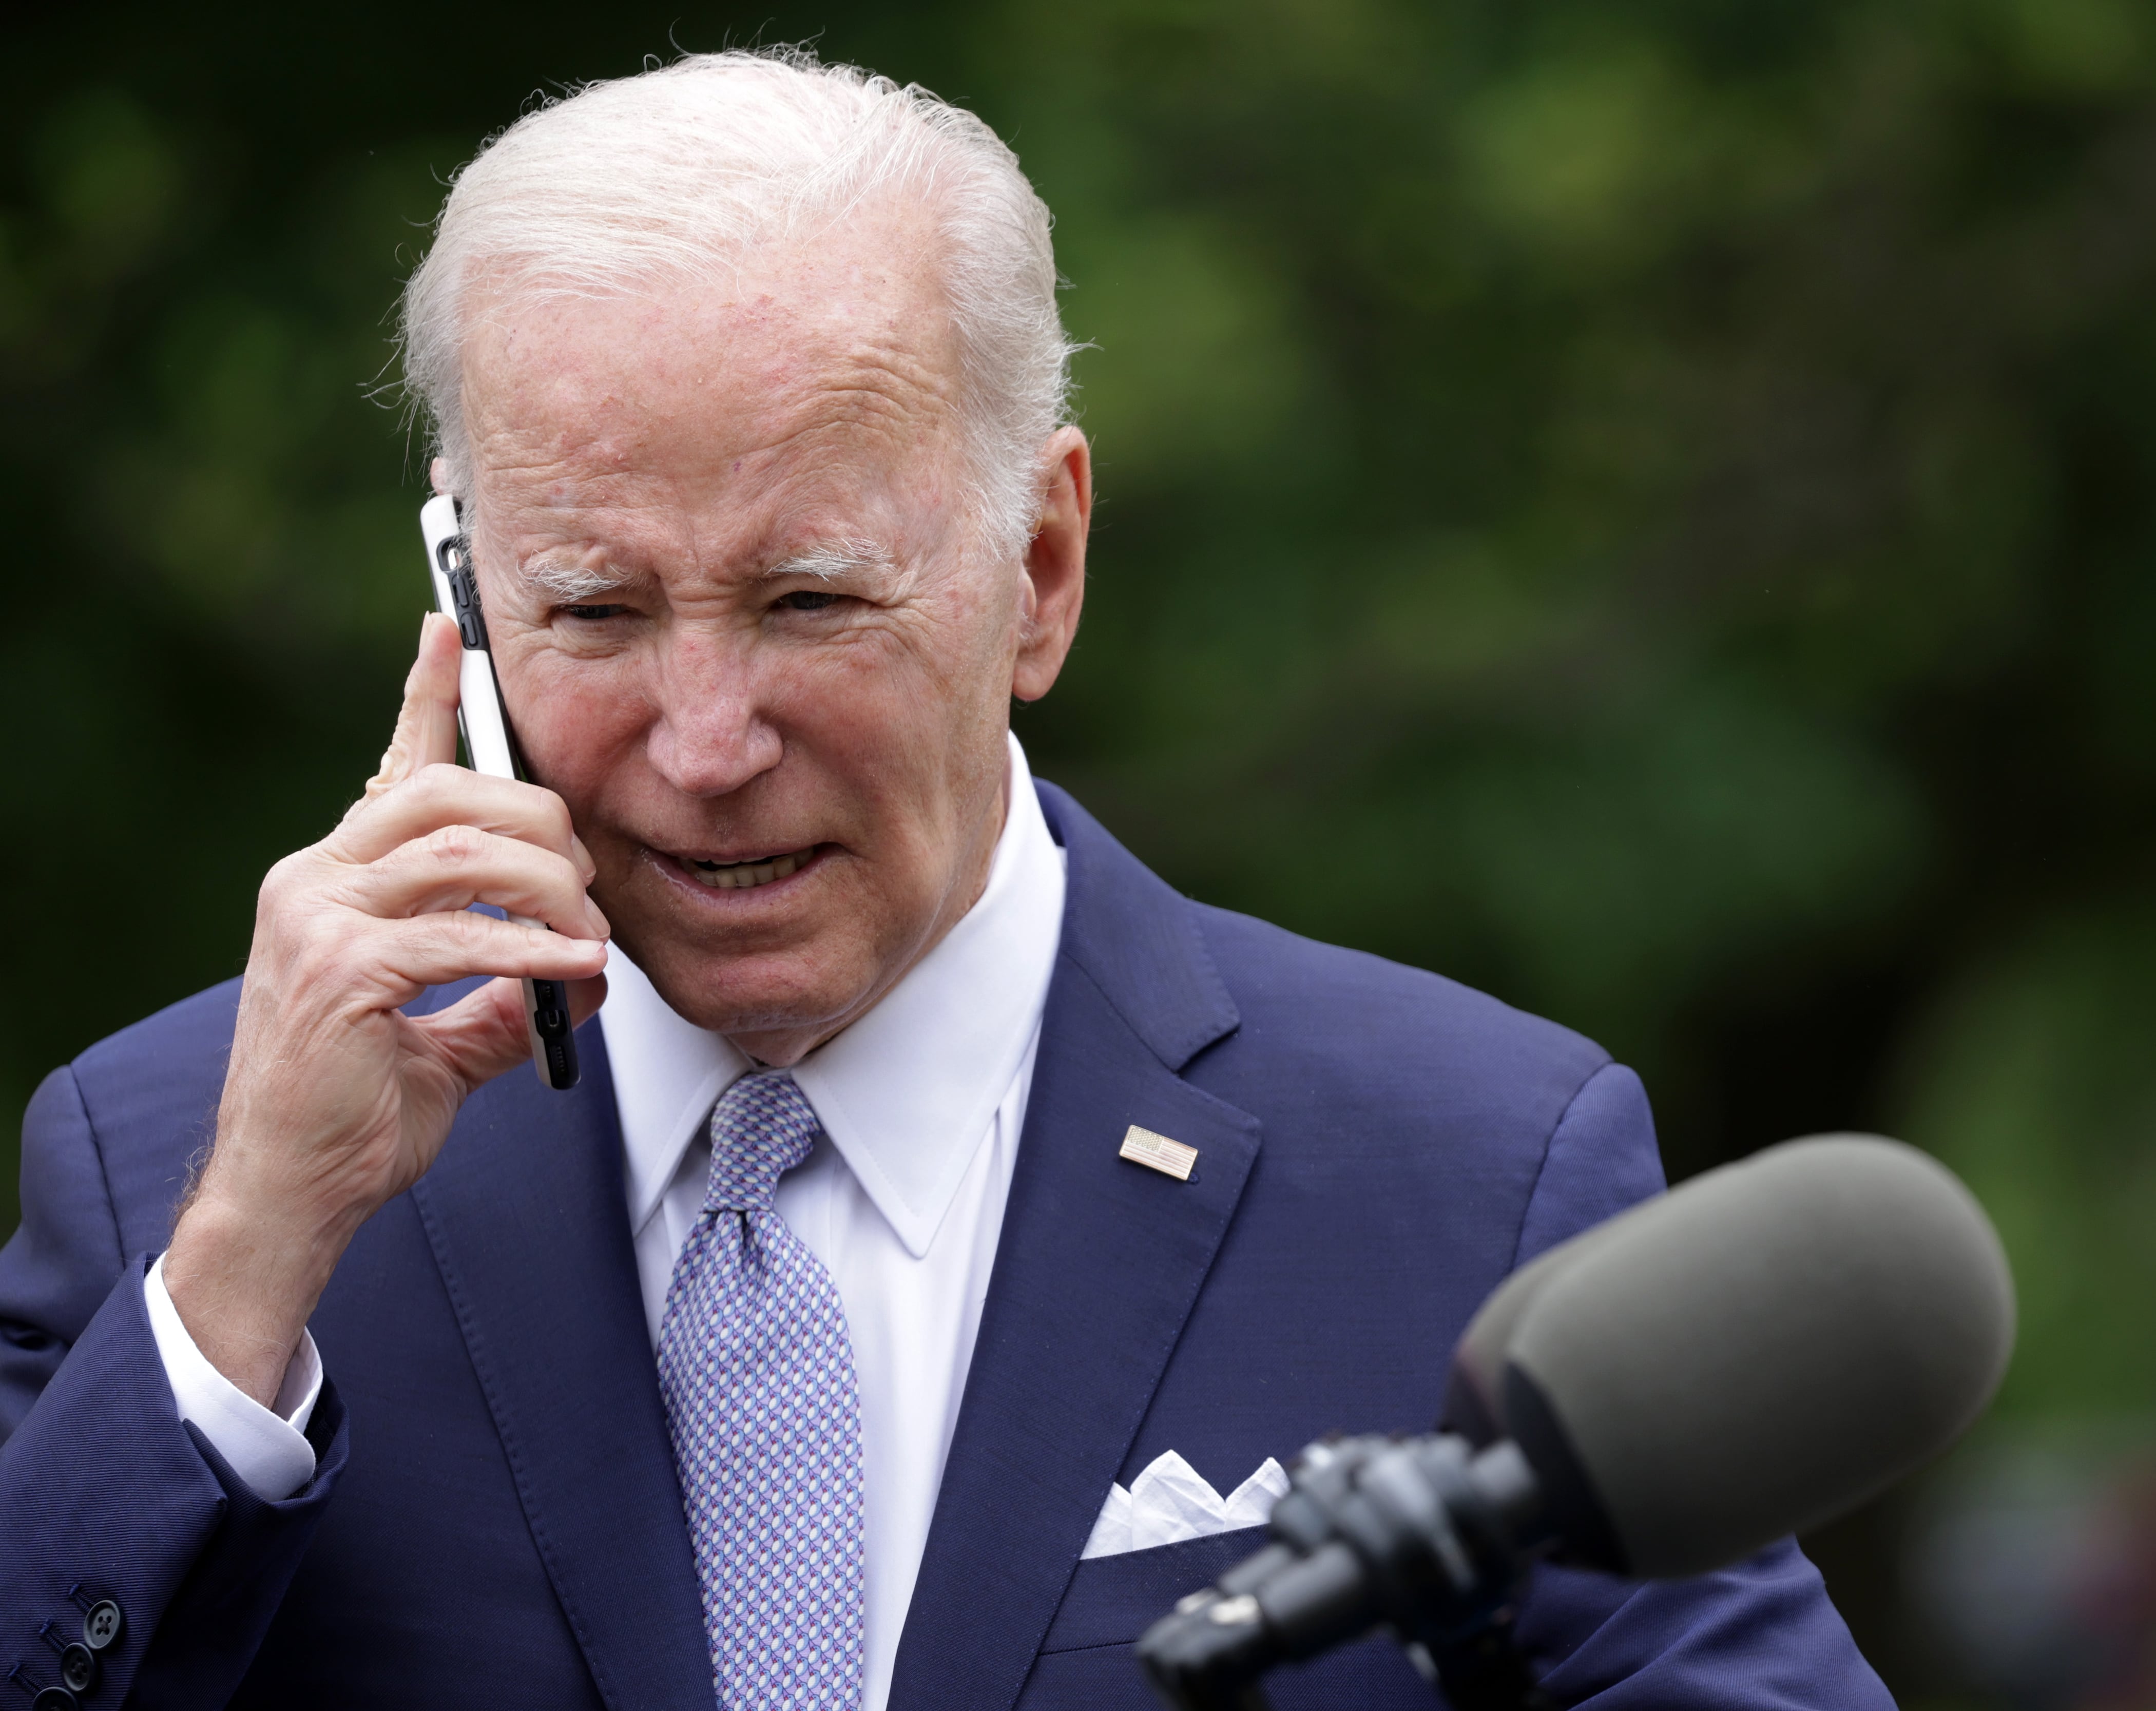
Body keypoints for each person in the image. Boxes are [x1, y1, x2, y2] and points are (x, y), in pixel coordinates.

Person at [0, 49, 1891, 1711]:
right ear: (467, 611)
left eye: (809, 600)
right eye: (594, 609)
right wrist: (248, 1252)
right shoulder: (172, 1176)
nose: (708, 738)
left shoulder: (1471, 1170)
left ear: (1040, 571)